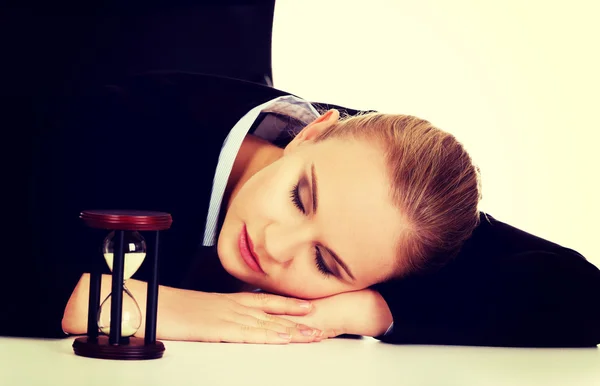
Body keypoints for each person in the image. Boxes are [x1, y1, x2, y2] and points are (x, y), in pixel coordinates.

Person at [5, 71, 600, 347]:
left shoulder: (386, 207)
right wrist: (141, 306)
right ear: (313, 134)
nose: (274, 242)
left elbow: (579, 296)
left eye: (325, 261)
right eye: (298, 197)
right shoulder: (116, 119)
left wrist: (369, 310)